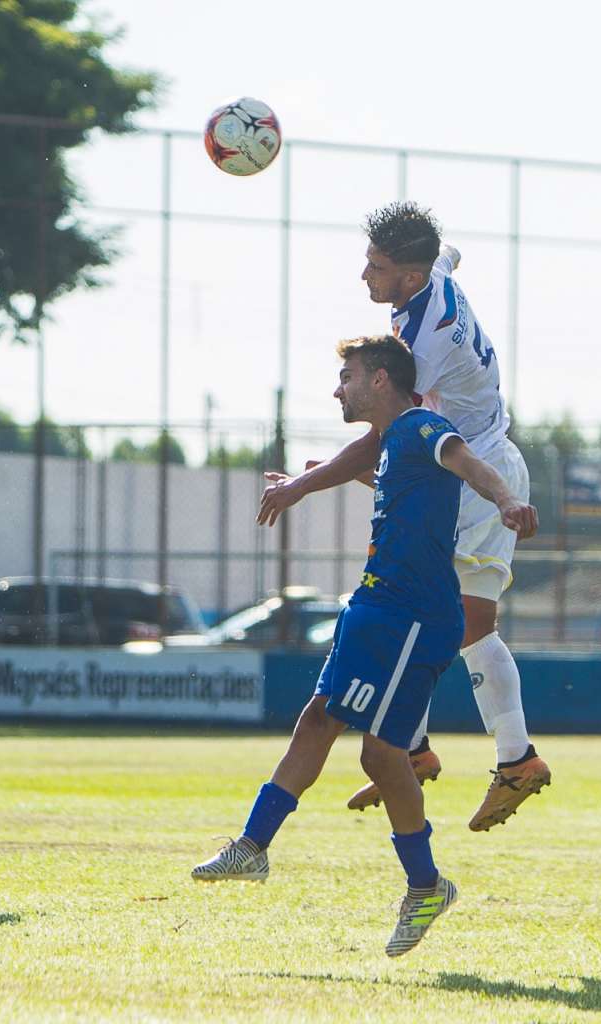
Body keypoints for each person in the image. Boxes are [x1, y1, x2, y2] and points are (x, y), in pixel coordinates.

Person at [193, 335, 538, 957]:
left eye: (347, 375)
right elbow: (361, 466)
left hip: (411, 616)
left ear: (381, 380)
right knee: (328, 723)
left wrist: (509, 498)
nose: (338, 388)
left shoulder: (422, 425)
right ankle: (254, 847)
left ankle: (423, 883)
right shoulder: (392, 442)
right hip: (376, 606)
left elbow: (467, 462)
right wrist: (302, 485)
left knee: (380, 757)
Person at [257, 201, 550, 832]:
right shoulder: (431, 277)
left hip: (473, 469)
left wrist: (305, 484)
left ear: (410, 279)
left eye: (377, 266)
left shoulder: (422, 341)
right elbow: (447, 256)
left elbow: (386, 432)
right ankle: (412, 750)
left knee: (466, 623)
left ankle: (516, 759)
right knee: (408, 602)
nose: (365, 275)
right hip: (442, 468)